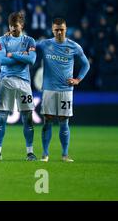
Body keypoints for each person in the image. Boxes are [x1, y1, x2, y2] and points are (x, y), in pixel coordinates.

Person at [38, 18, 90, 162]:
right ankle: (45, 153)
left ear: (66, 29)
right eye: (56, 29)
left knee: (63, 121)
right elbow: (30, 46)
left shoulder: (74, 46)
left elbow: (86, 65)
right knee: (47, 121)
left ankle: (65, 154)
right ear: (52, 30)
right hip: (49, 89)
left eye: (62, 29)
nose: (59, 32)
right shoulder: (45, 44)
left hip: (66, 90)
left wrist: (78, 79)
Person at [0, 11, 37, 161]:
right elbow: (1, 61)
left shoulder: (30, 40)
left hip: (24, 83)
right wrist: (21, 57)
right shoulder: (2, 40)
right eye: (11, 26)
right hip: (7, 81)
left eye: (16, 26)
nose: (13, 29)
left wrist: (12, 55)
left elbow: (31, 60)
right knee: (2, 118)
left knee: (28, 118)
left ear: (22, 25)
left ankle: (30, 152)